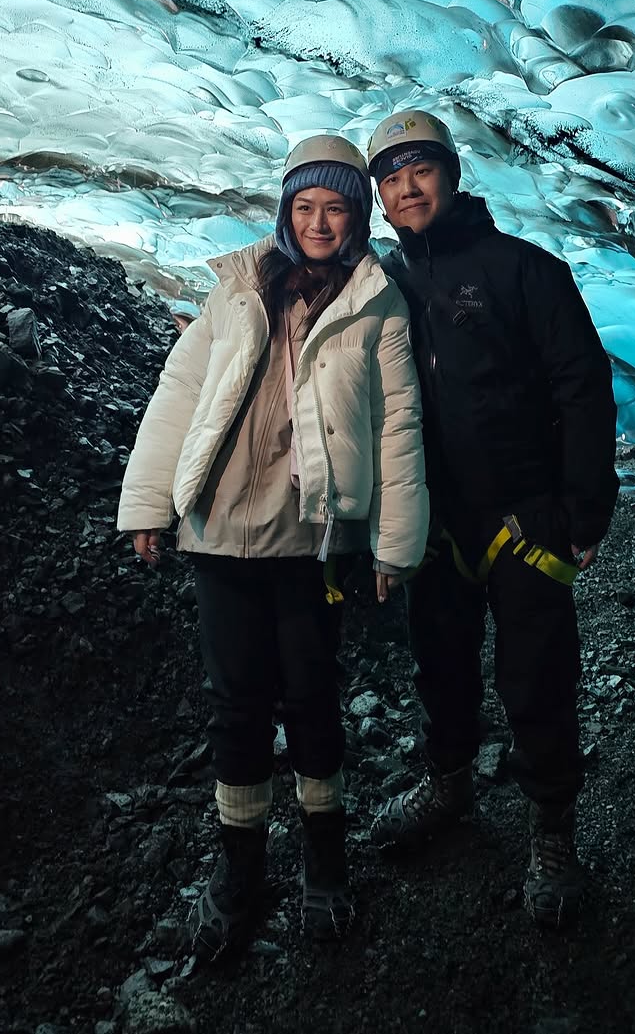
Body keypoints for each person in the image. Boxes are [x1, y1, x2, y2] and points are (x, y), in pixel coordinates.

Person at [117, 134, 428, 960]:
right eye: (306, 205)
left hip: (312, 536)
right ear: (285, 209)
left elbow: (399, 426)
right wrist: (150, 502)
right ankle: (241, 873)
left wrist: (394, 544)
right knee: (237, 702)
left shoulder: (376, 301)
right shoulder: (237, 284)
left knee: (314, 696)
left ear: (356, 215)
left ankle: (324, 864)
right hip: (219, 527)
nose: (320, 221)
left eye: (336, 207)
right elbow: (180, 391)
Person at [364, 110, 619, 930]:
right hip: (433, 516)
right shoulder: (383, 284)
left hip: (525, 515)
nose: (408, 187)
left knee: (538, 672)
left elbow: (581, 381)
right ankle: (450, 778)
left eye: (421, 169)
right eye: (391, 175)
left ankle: (552, 828)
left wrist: (585, 504)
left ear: (452, 174)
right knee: (438, 661)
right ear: (378, 195)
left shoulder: (523, 271)